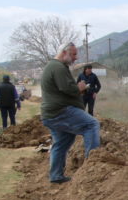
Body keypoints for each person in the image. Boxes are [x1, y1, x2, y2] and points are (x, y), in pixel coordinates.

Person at [40, 42, 101, 184]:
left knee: (62, 142)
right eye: (73, 54)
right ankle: (94, 168)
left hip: (51, 114)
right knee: (92, 124)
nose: (76, 58)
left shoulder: (55, 66)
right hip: (60, 112)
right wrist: (80, 87)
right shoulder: (58, 67)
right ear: (64, 53)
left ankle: (56, 176)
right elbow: (68, 89)